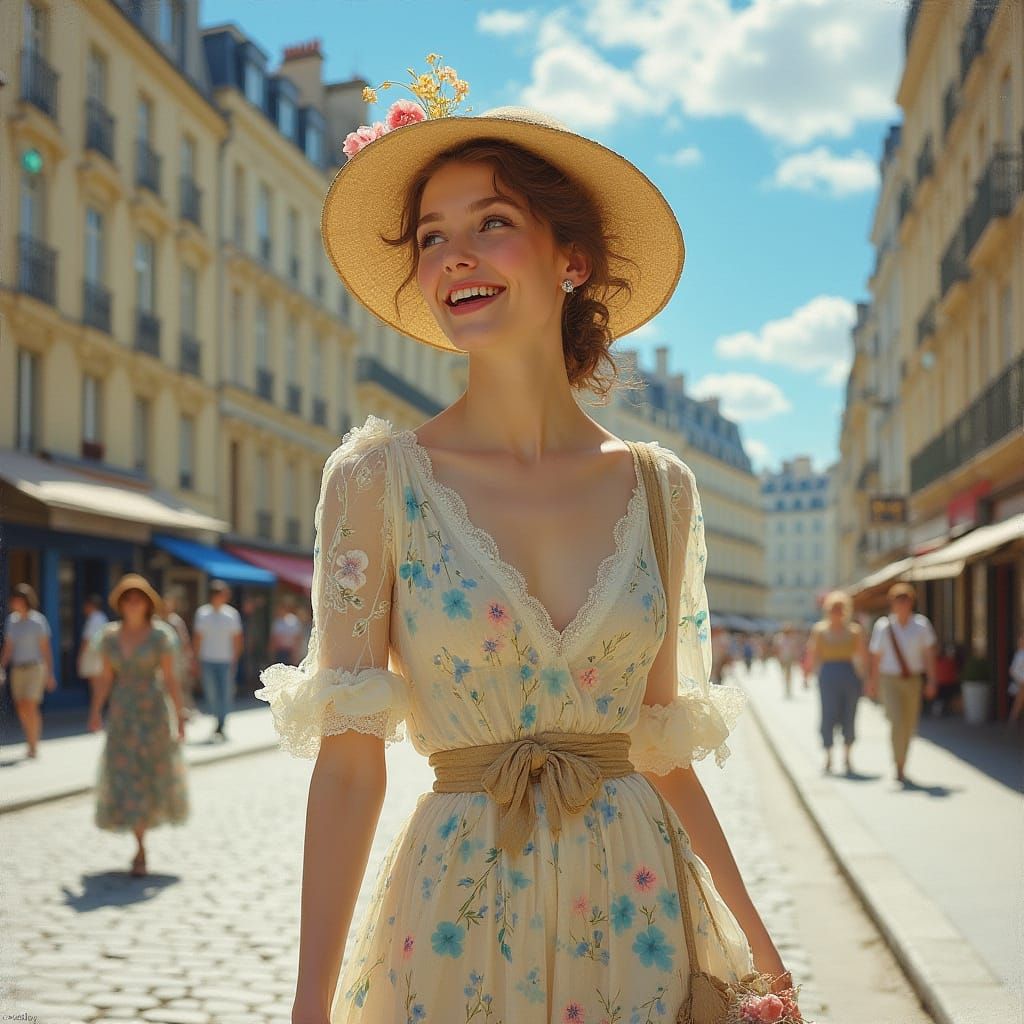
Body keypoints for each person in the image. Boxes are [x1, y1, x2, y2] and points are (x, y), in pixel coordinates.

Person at [256, 73, 796, 1024]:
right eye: (431, 235)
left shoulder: (661, 489)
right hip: (455, 917)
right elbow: (347, 769)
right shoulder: (377, 484)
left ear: (571, 259)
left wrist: (757, 942)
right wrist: (308, 1007)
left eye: (491, 221)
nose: (454, 255)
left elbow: (661, 746)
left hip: (641, 915)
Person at [87, 574, 189, 876]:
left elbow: (171, 679)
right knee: (125, 774)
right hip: (121, 712)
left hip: (152, 713)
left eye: (139, 598)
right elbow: (105, 677)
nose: (133, 604)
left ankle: (141, 845)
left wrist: (179, 716)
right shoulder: (108, 636)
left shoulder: (161, 636)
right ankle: (139, 842)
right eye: (128, 599)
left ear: (147, 604)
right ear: (121, 604)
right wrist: (95, 710)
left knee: (147, 774)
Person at [867, 582, 938, 784]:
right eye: (898, 601)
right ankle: (898, 763)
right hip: (889, 679)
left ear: (911, 602)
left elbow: (929, 655)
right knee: (897, 721)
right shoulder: (883, 627)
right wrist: (872, 682)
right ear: (892, 604)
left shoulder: (921, 625)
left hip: (913, 679)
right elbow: (876, 658)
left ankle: (903, 760)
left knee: (909, 723)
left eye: (905, 600)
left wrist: (932, 680)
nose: (902, 605)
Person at [807, 591, 867, 775]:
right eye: (834, 609)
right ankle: (828, 756)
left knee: (850, 714)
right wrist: (808, 673)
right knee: (828, 714)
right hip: (828, 674)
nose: (837, 613)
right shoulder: (820, 630)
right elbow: (813, 653)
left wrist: (866, 679)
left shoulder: (855, 631)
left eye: (840, 609)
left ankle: (847, 757)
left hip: (849, 674)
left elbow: (862, 656)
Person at [1, 583, 57, 759]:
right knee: (21, 706)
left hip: (35, 668)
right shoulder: (12, 621)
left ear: (25, 600)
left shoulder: (38, 621)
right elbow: (8, 648)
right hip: (18, 669)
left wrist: (50, 673)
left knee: (30, 705)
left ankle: (33, 744)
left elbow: (46, 649)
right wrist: (1, 667)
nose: (14, 602)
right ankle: (29, 738)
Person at [193, 579, 243, 740]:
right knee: (212, 693)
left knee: (225, 693)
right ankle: (217, 718)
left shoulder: (231, 614)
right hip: (207, 659)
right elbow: (198, 638)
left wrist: (235, 657)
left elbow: (237, 638)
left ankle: (221, 723)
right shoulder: (203, 613)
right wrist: (196, 659)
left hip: (225, 660)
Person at [163, 589, 198, 719]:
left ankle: (182, 712)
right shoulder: (157, 621)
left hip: (176, 661)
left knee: (179, 687)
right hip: (161, 662)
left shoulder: (176, 621)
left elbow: (184, 641)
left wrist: (190, 659)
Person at [78, 593, 109, 685]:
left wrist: (80, 657)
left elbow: (87, 640)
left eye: (85, 605)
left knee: (96, 687)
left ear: (90, 605)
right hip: (101, 656)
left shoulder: (94, 619)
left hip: (94, 656)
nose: (83, 608)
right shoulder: (102, 617)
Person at [268, 597, 303, 666]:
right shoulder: (277, 622)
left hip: (290, 651)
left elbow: (298, 638)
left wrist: (296, 653)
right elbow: (274, 638)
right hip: (279, 651)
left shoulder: (294, 621)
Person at [773, 624, 803, 698]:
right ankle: (786, 687)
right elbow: (777, 648)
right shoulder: (780, 638)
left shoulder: (792, 639)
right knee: (784, 674)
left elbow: (794, 649)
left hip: (789, 658)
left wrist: (795, 658)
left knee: (788, 674)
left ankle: (788, 689)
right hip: (782, 658)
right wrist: (778, 657)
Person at [1007, 631, 1024, 727]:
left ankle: (1013, 720)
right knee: (1019, 702)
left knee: (1019, 703)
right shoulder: (1019, 655)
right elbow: (1012, 670)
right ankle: (1013, 720)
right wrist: (1020, 680)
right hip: (1021, 682)